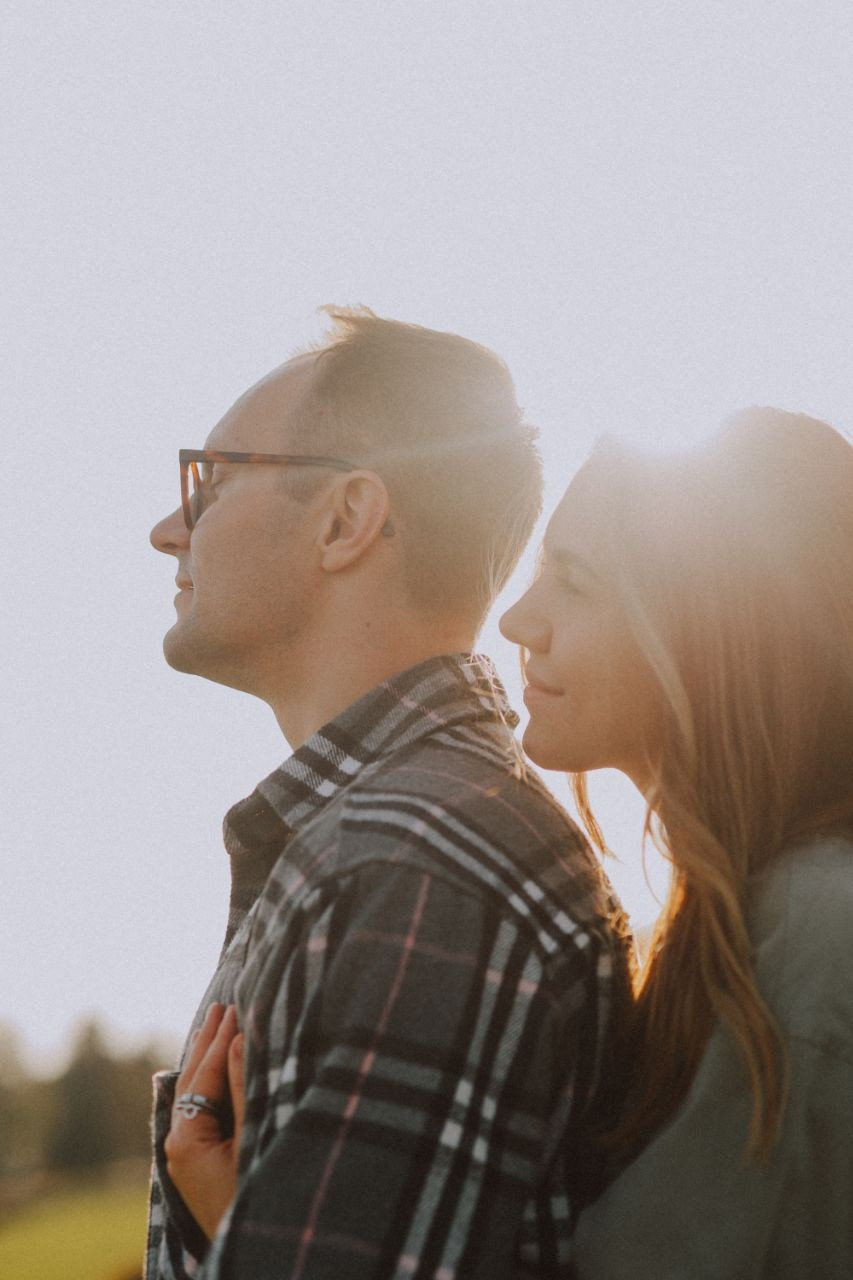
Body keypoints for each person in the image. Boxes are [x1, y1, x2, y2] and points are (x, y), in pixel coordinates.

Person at [146, 307, 633, 1280]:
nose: (166, 529)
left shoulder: (414, 860)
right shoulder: (392, 837)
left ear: (344, 519)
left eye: (209, 479)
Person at [499, 406, 853, 1278]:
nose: (517, 621)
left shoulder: (814, 927)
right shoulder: (732, 918)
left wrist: (264, 1231)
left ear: (715, 629)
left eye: (573, 584)